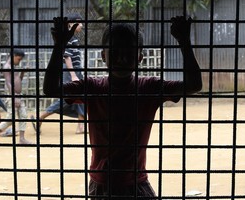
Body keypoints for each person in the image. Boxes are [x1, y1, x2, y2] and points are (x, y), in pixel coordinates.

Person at [43, 16, 202, 199]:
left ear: (140, 57)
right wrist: (184, 42)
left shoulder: (145, 87)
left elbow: (194, 85)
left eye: (129, 51)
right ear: (104, 56)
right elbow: (50, 89)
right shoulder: (135, 88)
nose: (122, 57)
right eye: (116, 51)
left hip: (113, 183)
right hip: (127, 183)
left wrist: (59, 45)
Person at [31, 12, 86, 134]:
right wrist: (73, 75)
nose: (82, 25)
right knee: (67, 98)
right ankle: (40, 117)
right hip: (71, 71)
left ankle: (80, 126)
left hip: (76, 70)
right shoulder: (69, 39)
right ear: (70, 24)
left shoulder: (74, 38)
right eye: (79, 22)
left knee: (81, 96)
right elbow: (67, 57)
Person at [0, 49, 32, 144]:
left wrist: (22, 72)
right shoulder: (7, 67)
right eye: (19, 59)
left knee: (23, 115)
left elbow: (18, 80)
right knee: (10, 118)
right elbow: (8, 83)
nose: (19, 61)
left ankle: (22, 139)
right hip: (12, 96)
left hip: (19, 95)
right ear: (13, 56)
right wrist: (15, 97)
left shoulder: (14, 66)